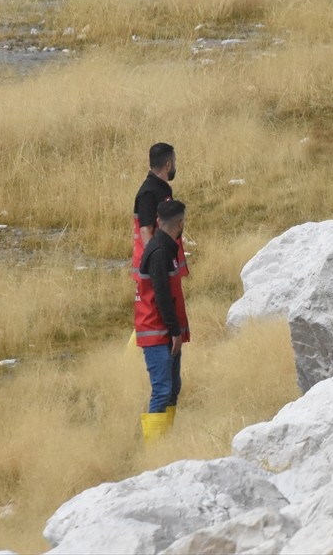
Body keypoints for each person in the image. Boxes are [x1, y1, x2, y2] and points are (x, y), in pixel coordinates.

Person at [135, 198, 190, 443]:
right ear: (179, 224)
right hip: (157, 333)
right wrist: (175, 331)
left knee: (172, 388)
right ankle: (154, 447)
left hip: (164, 332)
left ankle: (165, 441)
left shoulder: (166, 247)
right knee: (162, 390)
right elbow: (162, 296)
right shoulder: (160, 252)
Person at [133, 143, 187, 282]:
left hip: (166, 262)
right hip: (155, 271)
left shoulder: (163, 188)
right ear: (168, 165)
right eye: (174, 163)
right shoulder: (148, 193)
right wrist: (156, 264)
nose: (175, 166)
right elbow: (146, 230)